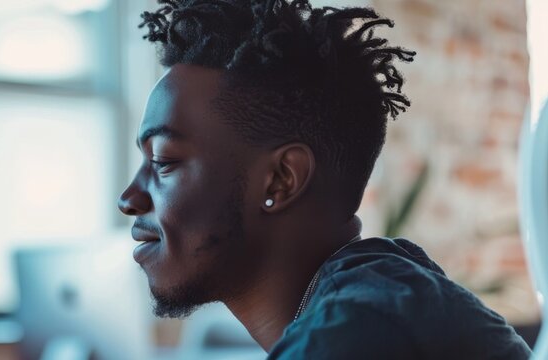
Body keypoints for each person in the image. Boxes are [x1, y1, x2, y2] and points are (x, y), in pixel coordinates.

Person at [117, 0, 533, 358]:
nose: (129, 198)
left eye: (164, 160)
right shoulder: (380, 289)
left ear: (280, 180)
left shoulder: (359, 330)